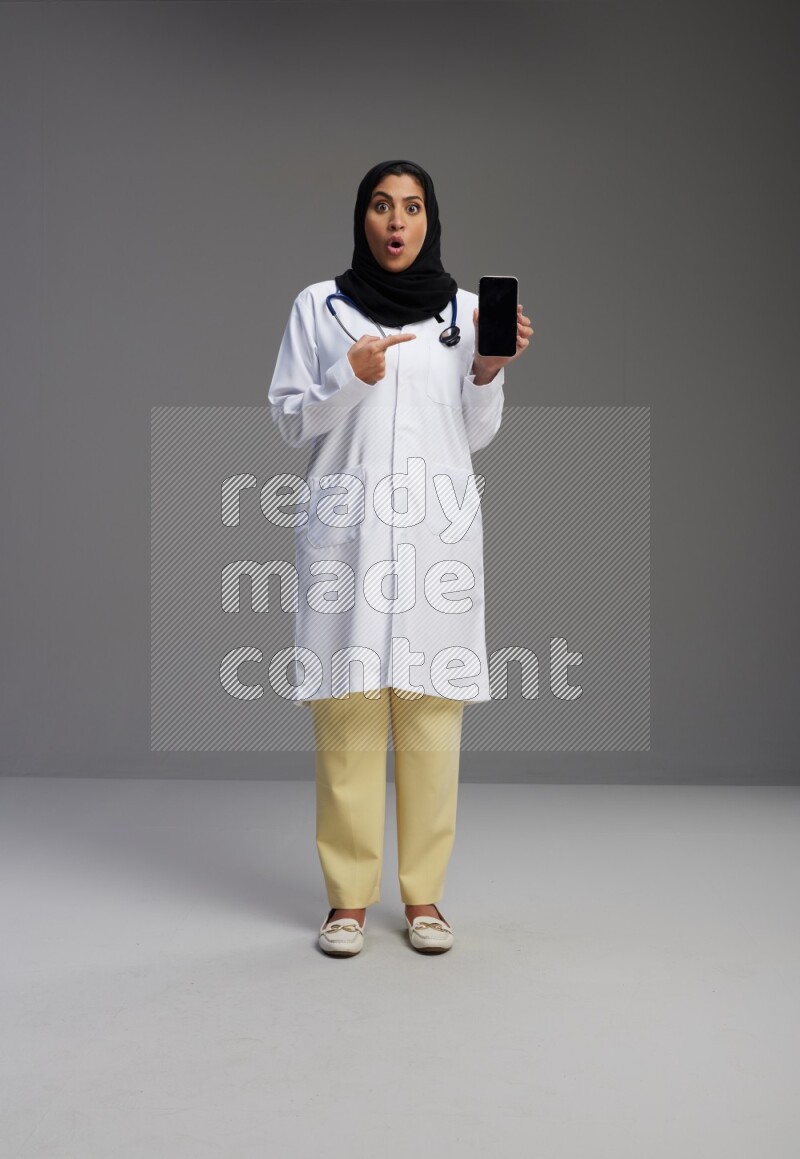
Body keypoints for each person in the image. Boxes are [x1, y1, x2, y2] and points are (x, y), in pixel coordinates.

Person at [268, 159, 533, 956]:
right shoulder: (321, 307)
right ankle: (347, 901)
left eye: (412, 208)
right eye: (382, 206)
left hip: (433, 540)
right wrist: (347, 379)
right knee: (347, 715)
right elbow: (290, 419)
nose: (396, 222)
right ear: (363, 218)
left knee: (429, 719)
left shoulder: (464, 312)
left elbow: (476, 433)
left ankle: (425, 899)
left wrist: (487, 370)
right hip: (349, 532)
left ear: (430, 221)